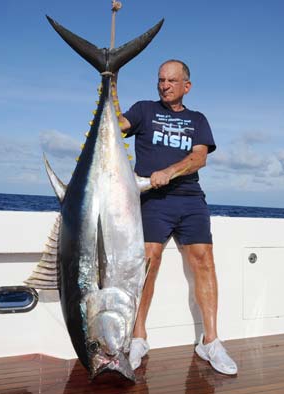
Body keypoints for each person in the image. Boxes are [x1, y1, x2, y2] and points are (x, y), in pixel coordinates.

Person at [112, 59, 238, 375]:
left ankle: (210, 341)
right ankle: (138, 337)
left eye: (171, 80)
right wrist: (110, 84)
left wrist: (168, 171)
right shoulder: (143, 110)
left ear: (186, 86)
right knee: (148, 261)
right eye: (160, 80)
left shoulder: (197, 120)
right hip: (152, 200)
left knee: (204, 260)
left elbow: (199, 159)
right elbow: (114, 125)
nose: (165, 85)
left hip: (189, 199)